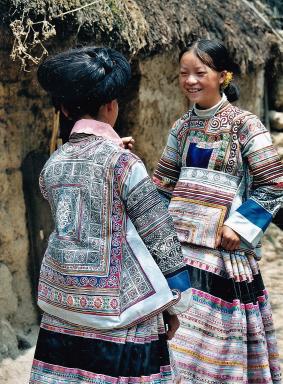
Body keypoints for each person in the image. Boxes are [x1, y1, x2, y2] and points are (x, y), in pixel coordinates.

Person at [29, 46, 192, 383]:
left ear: (63, 108)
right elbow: (158, 232)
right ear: (110, 106)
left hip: (63, 303)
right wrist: (177, 301)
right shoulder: (122, 163)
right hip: (121, 309)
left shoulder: (53, 165)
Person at [153, 39, 283, 384]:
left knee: (219, 348)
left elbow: (274, 182)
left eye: (200, 72)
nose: (190, 81)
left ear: (223, 75)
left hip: (223, 254)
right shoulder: (181, 129)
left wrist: (240, 227)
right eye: (184, 74)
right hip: (181, 253)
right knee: (177, 346)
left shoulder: (246, 126)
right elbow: (163, 184)